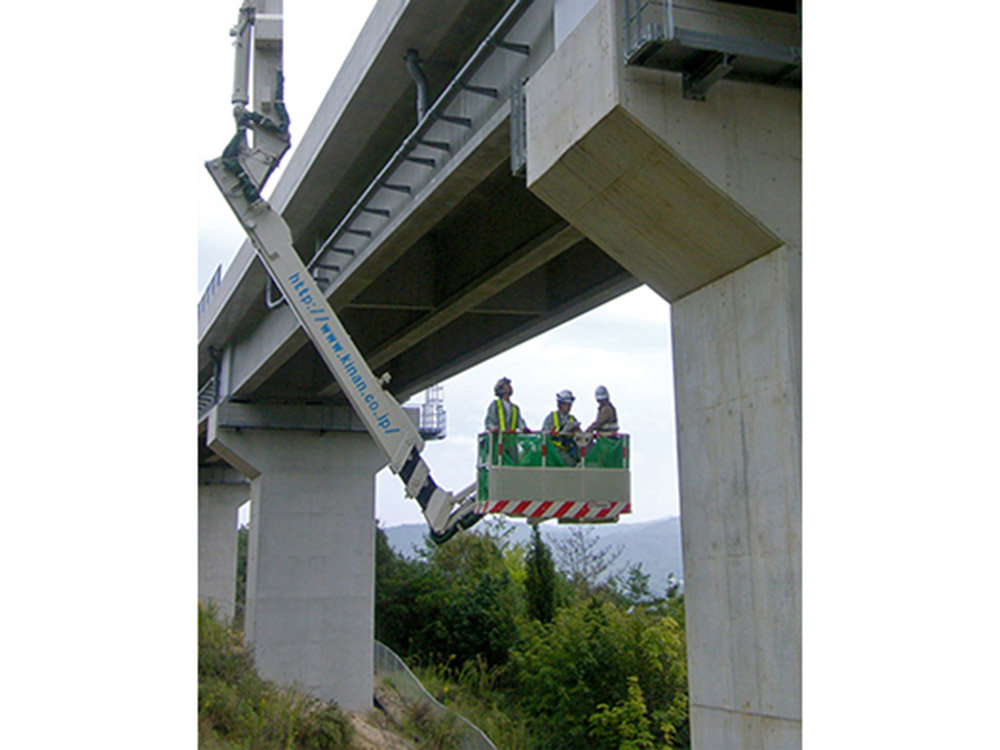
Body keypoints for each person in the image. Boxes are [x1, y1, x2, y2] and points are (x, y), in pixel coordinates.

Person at [541, 389, 582, 465]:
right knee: (570, 463)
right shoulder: (551, 417)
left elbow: (580, 436)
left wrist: (576, 432)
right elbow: (543, 434)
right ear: (560, 404)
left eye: (570, 405)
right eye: (567, 404)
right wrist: (551, 432)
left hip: (569, 448)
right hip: (555, 450)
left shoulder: (572, 419)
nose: (569, 407)